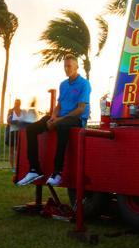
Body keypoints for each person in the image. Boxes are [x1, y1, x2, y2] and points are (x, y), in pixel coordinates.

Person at [16, 55, 90, 188]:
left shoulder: (84, 84)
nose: (67, 69)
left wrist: (58, 120)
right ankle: (34, 169)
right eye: (65, 66)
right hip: (61, 118)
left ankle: (57, 173)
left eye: (70, 66)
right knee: (31, 129)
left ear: (76, 67)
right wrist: (52, 117)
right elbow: (59, 106)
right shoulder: (63, 84)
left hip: (76, 119)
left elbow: (80, 109)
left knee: (62, 126)